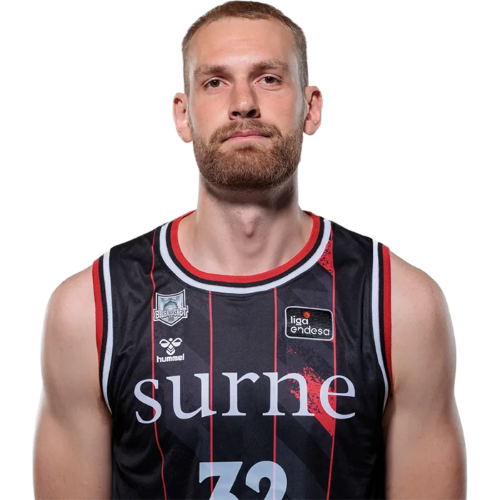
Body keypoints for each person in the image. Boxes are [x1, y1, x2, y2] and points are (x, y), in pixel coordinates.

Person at [32, 1, 467, 498]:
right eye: (215, 82)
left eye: (269, 79)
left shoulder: (398, 305)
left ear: (311, 107)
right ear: (182, 115)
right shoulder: (91, 309)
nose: (243, 103)